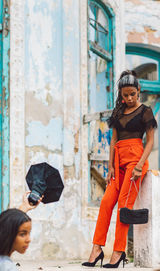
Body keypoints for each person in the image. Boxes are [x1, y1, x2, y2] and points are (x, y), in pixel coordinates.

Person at [82, 70, 157, 268]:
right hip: (118, 163)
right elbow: (114, 140)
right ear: (121, 94)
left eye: (133, 94)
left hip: (135, 162)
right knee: (106, 202)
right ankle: (97, 249)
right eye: (125, 95)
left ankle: (118, 251)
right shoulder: (117, 112)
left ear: (138, 90)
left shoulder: (145, 111)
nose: (130, 98)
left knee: (124, 206)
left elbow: (150, 141)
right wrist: (110, 167)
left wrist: (140, 165)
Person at [0, 192, 42, 271]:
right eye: (22, 234)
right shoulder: (7, 267)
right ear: (8, 234)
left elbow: (9, 224)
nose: (28, 239)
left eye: (29, 233)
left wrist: (24, 207)